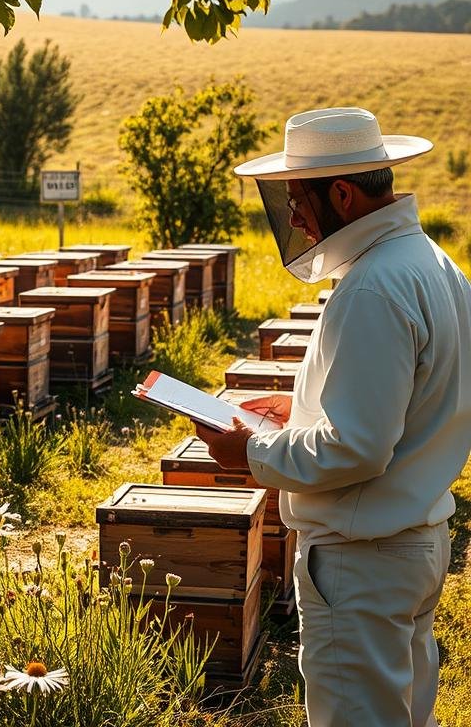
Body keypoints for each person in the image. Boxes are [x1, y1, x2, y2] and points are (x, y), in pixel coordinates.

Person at [193, 107, 471, 727]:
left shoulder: (375, 285)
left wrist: (252, 453)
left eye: (298, 199)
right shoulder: (433, 264)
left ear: (341, 194)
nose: (292, 217)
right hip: (414, 542)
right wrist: (302, 409)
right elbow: (417, 400)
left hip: (362, 558)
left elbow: (358, 450)